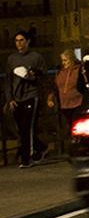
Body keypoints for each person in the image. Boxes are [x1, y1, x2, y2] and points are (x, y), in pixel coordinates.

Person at [5, 31, 48, 167]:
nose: (19, 43)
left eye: (22, 40)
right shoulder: (11, 59)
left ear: (28, 41)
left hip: (31, 95)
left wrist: (32, 75)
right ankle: (40, 147)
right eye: (17, 41)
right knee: (21, 128)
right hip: (17, 98)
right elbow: (8, 80)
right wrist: (10, 98)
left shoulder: (36, 57)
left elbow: (43, 76)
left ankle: (26, 158)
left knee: (27, 127)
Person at [55, 50, 86, 129]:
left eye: (65, 60)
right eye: (62, 60)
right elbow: (56, 86)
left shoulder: (78, 70)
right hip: (65, 104)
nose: (63, 63)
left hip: (77, 103)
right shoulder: (60, 73)